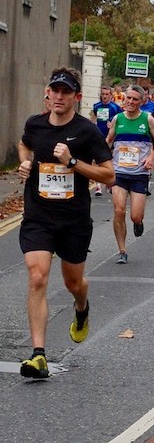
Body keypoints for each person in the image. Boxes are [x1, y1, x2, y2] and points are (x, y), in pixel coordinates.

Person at [17, 67, 115, 378]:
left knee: (73, 283)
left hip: (73, 220)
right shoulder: (35, 124)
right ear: (47, 93)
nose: (58, 96)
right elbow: (24, 144)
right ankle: (38, 354)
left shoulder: (87, 131)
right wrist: (25, 161)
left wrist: (72, 162)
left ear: (76, 96)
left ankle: (82, 308)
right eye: (54, 91)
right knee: (37, 277)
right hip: (38, 216)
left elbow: (109, 174)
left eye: (65, 92)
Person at [106, 84, 154, 263]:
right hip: (119, 172)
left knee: (135, 215)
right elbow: (108, 141)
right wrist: (101, 161)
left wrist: (151, 157)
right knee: (118, 210)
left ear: (142, 101)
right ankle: (122, 250)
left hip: (139, 174)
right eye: (128, 98)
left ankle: (138, 223)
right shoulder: (118, 119)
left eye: (135, 99)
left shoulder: (147, 119)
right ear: (124, 100)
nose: (130, 102)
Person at [91, 86, 123, 196]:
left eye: (106, 94)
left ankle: (110, 182)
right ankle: (98, 186)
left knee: (110, 160)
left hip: (111, 137)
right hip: (98, 136)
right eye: (103, 94)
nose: (104, 96)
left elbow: (121, 120)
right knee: (97, 161)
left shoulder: (115, 107)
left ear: (110, 95)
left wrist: (113, 125)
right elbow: (94, 118)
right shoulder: (96, 106)